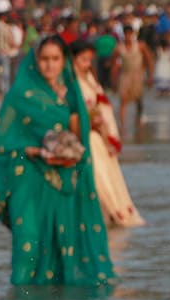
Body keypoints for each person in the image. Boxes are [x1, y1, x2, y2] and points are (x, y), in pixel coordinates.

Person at [0, 36, 117, 287]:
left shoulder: (71, 93)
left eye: (55, 59)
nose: (50, 65)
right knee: (29, 242)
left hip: (63, 177)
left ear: (63, 61)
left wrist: (73, 148)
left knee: (62, 245)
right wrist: (34, 151)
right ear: (36, 61)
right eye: (44, 59)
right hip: (27, 174)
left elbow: (79, 136)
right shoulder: (20, 95)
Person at [71, 40, 144, 228]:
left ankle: (109, 220)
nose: (87, 64)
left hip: (97, 138)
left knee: (107, 180)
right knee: (97, 181)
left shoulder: (90, 81)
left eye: (89, 60)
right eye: (83, 60)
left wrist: (106, 135)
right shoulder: (70, 83)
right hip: (82, 138)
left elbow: (101, 108)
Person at [112, 27, 154, 133]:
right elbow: (114, 64)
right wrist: (113, 80)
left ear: (133, 34)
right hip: (125, 75)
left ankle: (139, 120)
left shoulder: (140, 46)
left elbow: (149, 60)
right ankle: (123, 125)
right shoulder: (119, 48)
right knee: (123, 99)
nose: (128, 36)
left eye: (130, 34)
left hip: (138, 75)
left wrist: (150, 76)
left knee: (138, 99)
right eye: (126, 34)